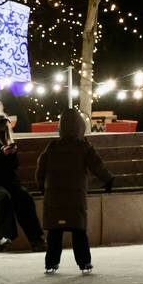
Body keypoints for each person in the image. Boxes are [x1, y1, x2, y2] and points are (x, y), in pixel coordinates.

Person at [36, 108, 114, 274]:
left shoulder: (52, 147)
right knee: (79, 232)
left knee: (54, 234)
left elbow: (40, 169)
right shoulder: (84, 147)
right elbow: (97, 166)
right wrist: (108, 179)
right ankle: (84, 263)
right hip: (76, 198)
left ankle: (51, 263)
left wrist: (41, 187)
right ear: (81, 127)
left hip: (54, 198)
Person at [0, 111, 45, 251]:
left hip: (9, 181)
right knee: (3, 197)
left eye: (4, 124)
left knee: (25, 198)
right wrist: (1, 154)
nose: (2, 127)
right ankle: (6, 235)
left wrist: (11, 155)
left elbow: (14, 167)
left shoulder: (8, 138)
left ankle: (37, 239)